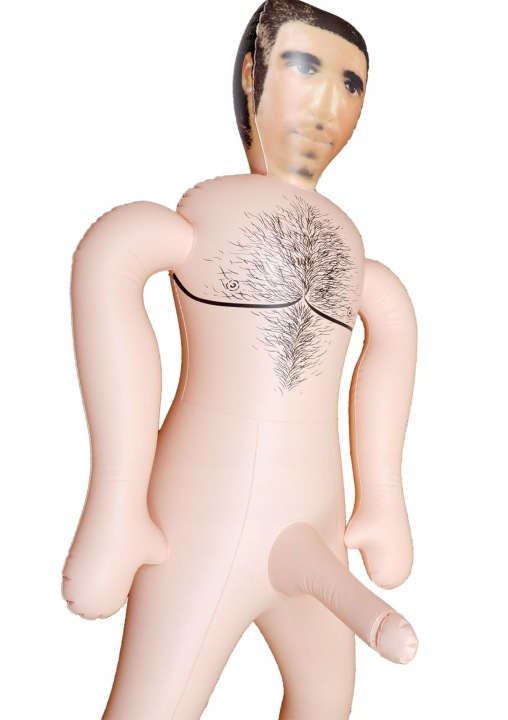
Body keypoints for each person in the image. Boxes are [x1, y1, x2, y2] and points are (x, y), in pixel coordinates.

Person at [62, 1, 418, 717]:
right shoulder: (206, 216)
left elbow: (394, 335)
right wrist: (116, 502)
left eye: (350, 84)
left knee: (326, 703)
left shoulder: (355, 253)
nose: (328, 105)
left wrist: (383, 498)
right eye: (306, 68)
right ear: (252, 74)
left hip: (316, 520)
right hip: (202, 518)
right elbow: (111, 261)